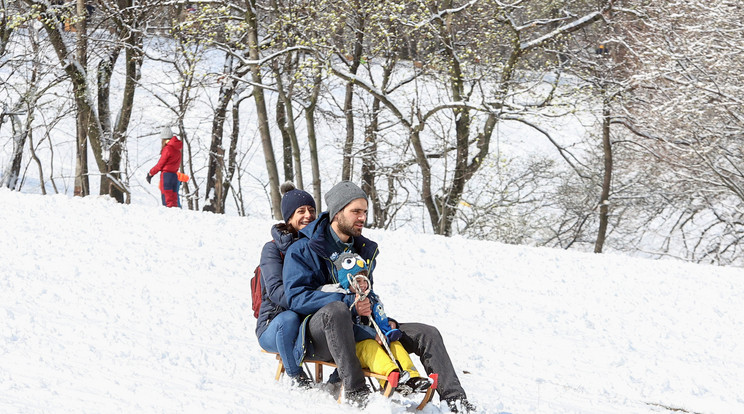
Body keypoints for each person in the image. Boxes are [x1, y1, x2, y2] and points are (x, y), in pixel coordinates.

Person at [283, 181, 476, 412]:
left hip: (361, 327)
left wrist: (383, 320)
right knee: (337, 311)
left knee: (427, 333)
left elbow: (368, 295)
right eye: (355, 211)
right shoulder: (302, 249)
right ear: (336, 213)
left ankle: (456, 403)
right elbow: (296, 297)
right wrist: (347, 302)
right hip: (320, 335)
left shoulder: (362, 251)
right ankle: (357, 394)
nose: (362, 217)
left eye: (364, 212)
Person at [332, 252, 432, 396]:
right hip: (354, 349)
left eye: (365, 280)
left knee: (395, 344)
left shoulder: (370, 298)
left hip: (377, 340)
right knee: (371, 346)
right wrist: (373, 335)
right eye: (358, 281)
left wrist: (390, 323)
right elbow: (347, 328)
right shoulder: (345, 302)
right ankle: (391, 376)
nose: (363, 284)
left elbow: (378, 317)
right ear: (348, 281)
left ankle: (412, 377)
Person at [256, 182, 317, 389]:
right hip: (274, 324)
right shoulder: (272, 250)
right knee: (289, 319)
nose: (308, 215)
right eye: (301, 211)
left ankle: (340, 376)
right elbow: (275, 291)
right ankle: (296, 376)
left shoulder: (319, 247)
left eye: (311, 210)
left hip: (308, 324)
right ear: (289, 217)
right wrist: (310, 302)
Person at [146, 127, 183, 208]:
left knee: (167, 199)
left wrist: (150, 173)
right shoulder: (178, 149)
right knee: (174, 200)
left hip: (167, 176)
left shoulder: (168, 149)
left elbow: (160, 165)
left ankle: (169, 217)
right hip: (174, 176)